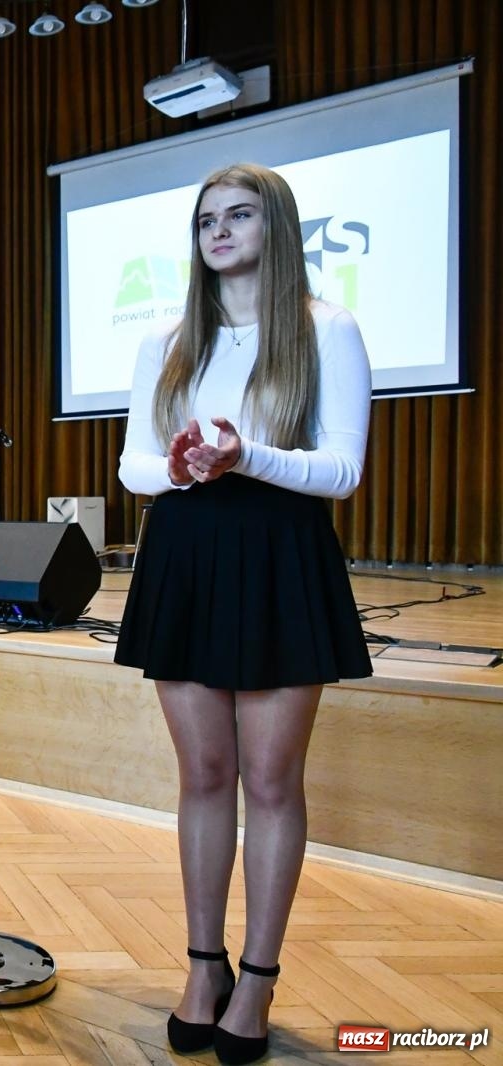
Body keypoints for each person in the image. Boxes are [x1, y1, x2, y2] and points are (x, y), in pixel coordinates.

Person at [114, 163, 371, 1066]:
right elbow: (132, 466)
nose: (217, 232)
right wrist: (180, 469)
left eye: (237, 216)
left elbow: (343, 470)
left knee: (269, 782)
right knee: (203, 774)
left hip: (279, 555)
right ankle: (202, 967)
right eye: (205, 221)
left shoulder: (325, 329)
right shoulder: (168, 339)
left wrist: (244, 455)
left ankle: (257, 980)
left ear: (279, 225)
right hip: (184, 552)